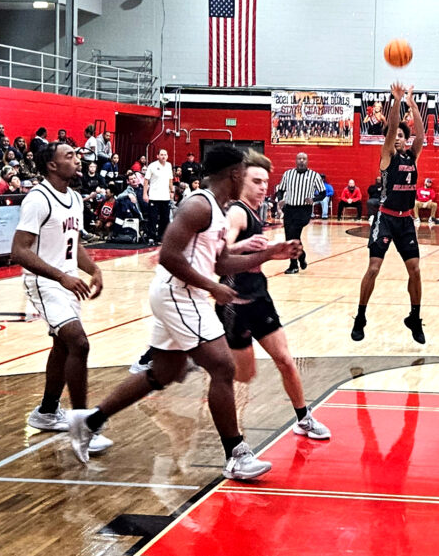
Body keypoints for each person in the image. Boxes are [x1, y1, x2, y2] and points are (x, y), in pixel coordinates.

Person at [66, 146, 302, 479]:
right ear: (234, 174)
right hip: (178, 292)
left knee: (163, 372)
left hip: (183, 293)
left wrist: (270, 254)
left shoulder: (218, 210)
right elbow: (169, 257)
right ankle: (237, 454)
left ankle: (88, 421)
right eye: (246, 174)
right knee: (222, 365)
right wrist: (213, 287)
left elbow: (221, 262)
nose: (251, 182)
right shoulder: (198, 205)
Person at [219, 151, 331, 441]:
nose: (262, 187)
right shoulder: (237, 212)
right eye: (256, 181)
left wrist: (275, 251)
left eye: (265, 181)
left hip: (259, 296)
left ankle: (303, 418)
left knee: (284, 359)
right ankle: (235, 439)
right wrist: (251, 248)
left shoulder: (257, 212)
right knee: (242, 376)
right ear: (241, 181)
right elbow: (221, 252)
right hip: (235, 302)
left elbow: (255, 254)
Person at [11, 142, 112, 454]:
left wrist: (92, 268)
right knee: (79, 343)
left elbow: (73, 242)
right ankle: (84, 426)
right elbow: (19, 250)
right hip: (44, 282)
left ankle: (46, 411)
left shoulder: (74, 197)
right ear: (52, 166)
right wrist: (62, 276)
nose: (76, 158)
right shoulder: (38, 199)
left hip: (66, 282)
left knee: (63, 344)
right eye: (69, 155)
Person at [352, 82, 425, 344]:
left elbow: (422, 137)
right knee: (373, 268)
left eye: (402, 137)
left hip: (405, 219)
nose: (398, 139)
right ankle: (360, 317)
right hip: (385, 217)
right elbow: (392, 128)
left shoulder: (412, 157)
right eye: (395, 137)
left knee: (415, 270)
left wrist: (413, 105)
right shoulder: (387, 156)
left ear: (407, 141)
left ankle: (414, 318)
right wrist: (395, 101)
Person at [274, 152, 323, 274]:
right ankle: (301, 256)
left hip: (304, 210)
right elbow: (280, 190)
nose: (301, 161)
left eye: (304, 159)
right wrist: (280, 200)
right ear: (296, 161)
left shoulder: (314, 175)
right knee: (289, 238)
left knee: (293, 235)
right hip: (289, 208)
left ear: (307, 161)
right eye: (299, 159)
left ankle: (293, 265)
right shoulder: (288, 174)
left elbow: (322, 193)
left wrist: (314, 200)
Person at [144, 149, 175, 242]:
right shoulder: (152, 166)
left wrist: (171, 191)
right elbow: (146, 180)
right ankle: (151, 236)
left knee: (165, 218)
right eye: (161, 154)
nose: (163, 156)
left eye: (165, 155)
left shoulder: (169, 165)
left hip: (165, 197)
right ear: (157, 156)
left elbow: (170, 179)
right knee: (152, 218)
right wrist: (145, 194)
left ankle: (161, 236)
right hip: (154, 196)